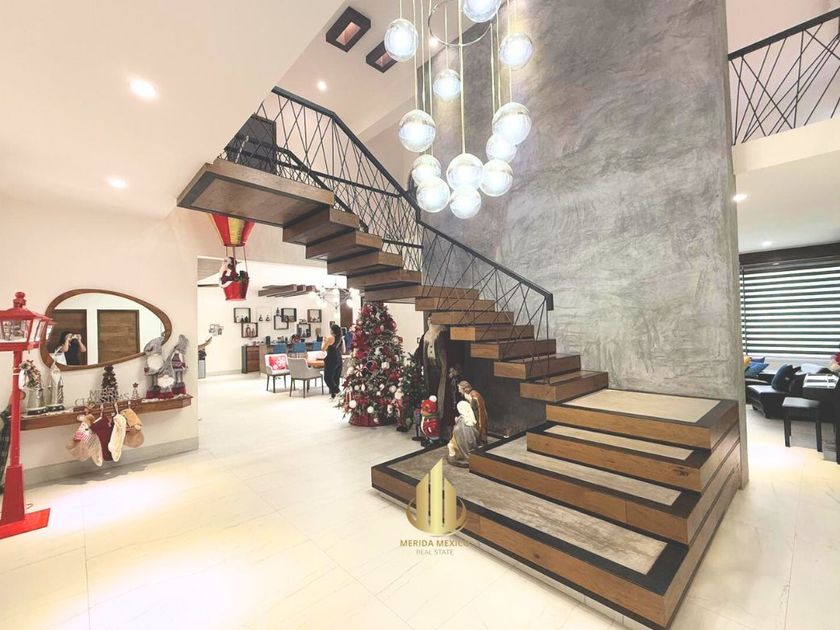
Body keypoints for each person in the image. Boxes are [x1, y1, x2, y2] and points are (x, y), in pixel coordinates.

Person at [323, 323, 345, 400]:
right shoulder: (340, 339)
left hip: (331, 359)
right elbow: (343, 350)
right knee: (336, 377)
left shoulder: (330, 338)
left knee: (327, 378)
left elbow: (323, 348)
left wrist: (324, 341)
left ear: (332, 330)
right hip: (339, 358)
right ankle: (333, 396)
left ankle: (337, 391)